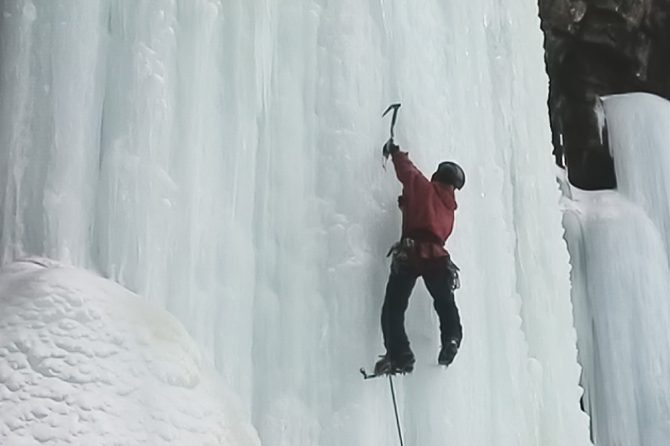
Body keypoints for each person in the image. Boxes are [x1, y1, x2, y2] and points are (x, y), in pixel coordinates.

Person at [374, 141, 464, 375]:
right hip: (438, 258)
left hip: (412, 253)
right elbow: (427, 214)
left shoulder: (425, 188)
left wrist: (394, 151)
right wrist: (407, 205)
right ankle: (451, 339)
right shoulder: (449, 209)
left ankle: (400, 355)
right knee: (446, 304)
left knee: (393, 308)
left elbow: (408, 172)